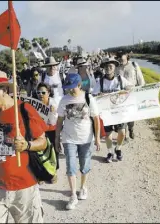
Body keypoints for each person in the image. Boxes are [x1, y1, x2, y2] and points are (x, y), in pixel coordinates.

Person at [0, 69, 48, 223]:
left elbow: (43, 142)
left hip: (24, 186)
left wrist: (27, 145)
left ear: (4, 90)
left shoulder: (24, 110)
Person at [55, 73, 101, 210]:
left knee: (85, 165)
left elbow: (96, 119)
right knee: (71, 166)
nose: (70, 90)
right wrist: (57, 138)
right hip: (69, 138)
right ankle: (73, 195)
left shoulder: (88, 98)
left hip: (86, 138)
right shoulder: (64, 100)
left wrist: (97, 138)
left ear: (79, 85)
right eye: (67, 87)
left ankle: (83, 187)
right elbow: (59, 120)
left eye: (72, 87)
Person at [92, 57, 134, 163]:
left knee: (122, 133)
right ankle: (110, 152)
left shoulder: (120, 79)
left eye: (110, 66)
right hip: (106, 112)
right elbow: (93, 95)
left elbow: (130, 87)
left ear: (115, 67)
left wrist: (127, 90)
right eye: (106, 66)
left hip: (119, 110)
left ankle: (118, 149)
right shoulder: (100, 82)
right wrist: (99, 95)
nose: (108, 68)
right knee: (108, 134)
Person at [116, 51, 145, 139]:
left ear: (127, 56)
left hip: (132, 94)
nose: (121, 58)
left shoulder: (134, 65)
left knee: (131, 114)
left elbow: (140, 79)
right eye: (119, 56)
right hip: (121, 95)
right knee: (122, 115)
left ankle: (131, 129)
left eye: (122, 56)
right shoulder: (117, 67)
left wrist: (142, 91)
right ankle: (124, 136)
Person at [35, 82, 59, 172]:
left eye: (43, 92)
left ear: (48, 93)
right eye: (38, 93)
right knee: (40, 151)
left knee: (53, 150)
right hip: (40, 131)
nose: (40, 95)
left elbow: (55, 120)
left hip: (52, 130)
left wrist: (53, 112)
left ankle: (54, 170)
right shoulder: (35, 103)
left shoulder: (53, 103)